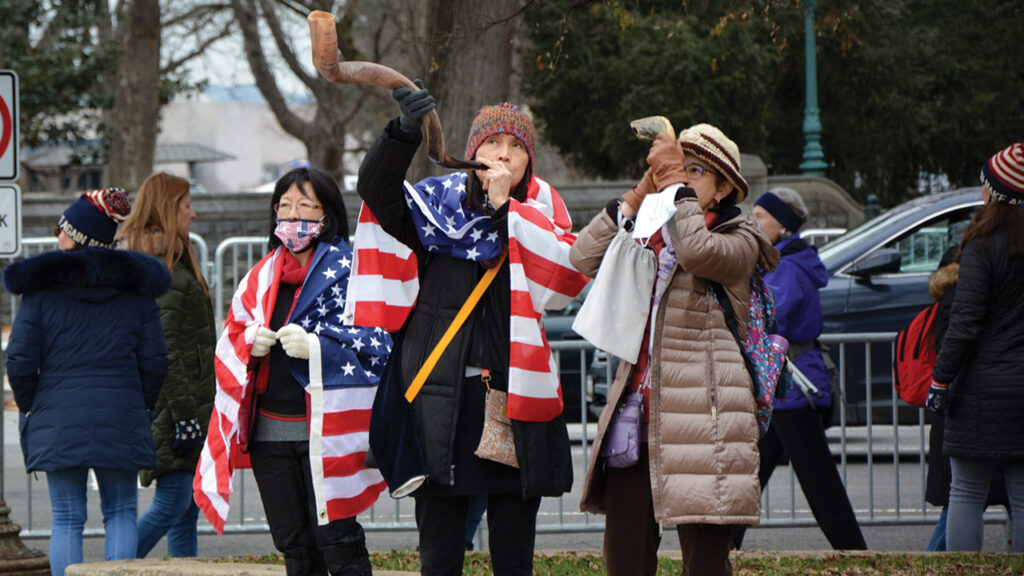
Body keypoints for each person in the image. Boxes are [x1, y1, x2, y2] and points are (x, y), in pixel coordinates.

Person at [354, 86, 588, 575]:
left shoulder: (543, 217)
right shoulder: (435, 208)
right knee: (440, 547)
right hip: (442, 395)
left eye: (517, 146)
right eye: (492, 144)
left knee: (512, 549)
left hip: (515, 395)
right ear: (472, 151)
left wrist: (508, 210)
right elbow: (377, 192)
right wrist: (402, 133)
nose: (504, 154)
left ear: (529, 160)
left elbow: (561, 279)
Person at [571, 125, 779, 576]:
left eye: (696, 171)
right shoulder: (654, 226)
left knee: (704, 564)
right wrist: (637, 195)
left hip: (707, 423)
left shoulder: (742, 238)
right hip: (638, 416)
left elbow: (697, 253)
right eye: (676, 167)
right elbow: (581, 259)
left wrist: (674, 188)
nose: (680, 178)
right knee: (624, 559)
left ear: (725, 188)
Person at [193, 167, 391, 575]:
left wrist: (318, 346)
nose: (291, 215)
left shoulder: (351, 274)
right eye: (284, 205)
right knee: (293, 545)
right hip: (270, 435)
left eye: (304, 205)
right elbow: (230, 338)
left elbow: (375, 341)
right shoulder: (259, 278)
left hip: (328, 433)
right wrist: (249, 342)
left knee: (338, 541)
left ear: (327, 215)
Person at [3, 188, 170, 576]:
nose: (56, 235)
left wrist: (32, 404)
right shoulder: (138, 292)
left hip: (57, 414)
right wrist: (138, 403)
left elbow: (22, 360)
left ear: (76, 236)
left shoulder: (40, 293)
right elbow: (155, 360)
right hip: (123, 411)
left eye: (62, 228)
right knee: (122, 512)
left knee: (66, 516)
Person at [730, 188, 867, 550]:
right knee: (750, 477)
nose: (752, 221)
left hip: (792, 388)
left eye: (760, 215)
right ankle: (720, 551)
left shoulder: (787, 267)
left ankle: (854, 552)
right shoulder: (784, 263)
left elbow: (769, 318)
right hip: (782, 388)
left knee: (817, 481)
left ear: (783, 226)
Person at [927, 142, 1024, 552]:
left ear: (993, 191)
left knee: (966, 490)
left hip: (980, 389)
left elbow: (964, 324)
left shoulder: (982, 245)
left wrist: (940, 379)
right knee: (1022, 495)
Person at [114, 173, 215, 558]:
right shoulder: (163, 270)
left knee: (186, 509)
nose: (193, 212)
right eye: (187, 204)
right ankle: (114, 568)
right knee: (173, 502)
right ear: (169, 208)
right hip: (176, 409)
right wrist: (187, 416)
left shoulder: (170, 258)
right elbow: (165, 349)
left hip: (184, 404)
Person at [924, 246, 1010, 551]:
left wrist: (941, 383)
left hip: (969, 400)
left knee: (965, 493)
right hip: (995, 398)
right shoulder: (995, 281)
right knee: (1002, 494)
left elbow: (953, 343)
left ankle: (940, 563)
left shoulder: (960, 290)